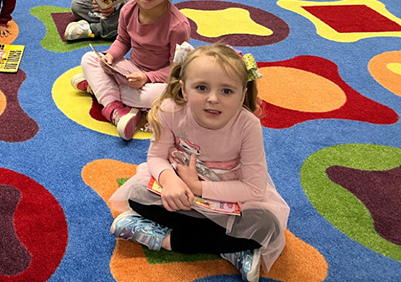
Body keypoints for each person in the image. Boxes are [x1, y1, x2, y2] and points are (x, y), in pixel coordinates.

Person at [108, 44, 289, 282]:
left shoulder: (248, 125)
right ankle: (231, 247)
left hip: (230, 196)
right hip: (181, 192)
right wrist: (170, 180)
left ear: (242, 94)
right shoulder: (170, 109)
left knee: (268, 226)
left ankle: (162, 239)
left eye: (227, 91)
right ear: (183, 89)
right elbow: (156, 157)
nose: (213, 99)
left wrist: (199, 188)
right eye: (202, 88)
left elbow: (254, 188)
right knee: (137, 195)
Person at [71, 0, 190, 140]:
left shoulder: (178, 26)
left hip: (157, 81)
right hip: (131, 71)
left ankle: (101, 91)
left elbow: (177, 70)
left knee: (174, 96)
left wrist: (147, 77)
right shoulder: (127, 9)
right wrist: (110, 56)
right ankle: (114, 108)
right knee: (90, 58)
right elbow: (122, 41)